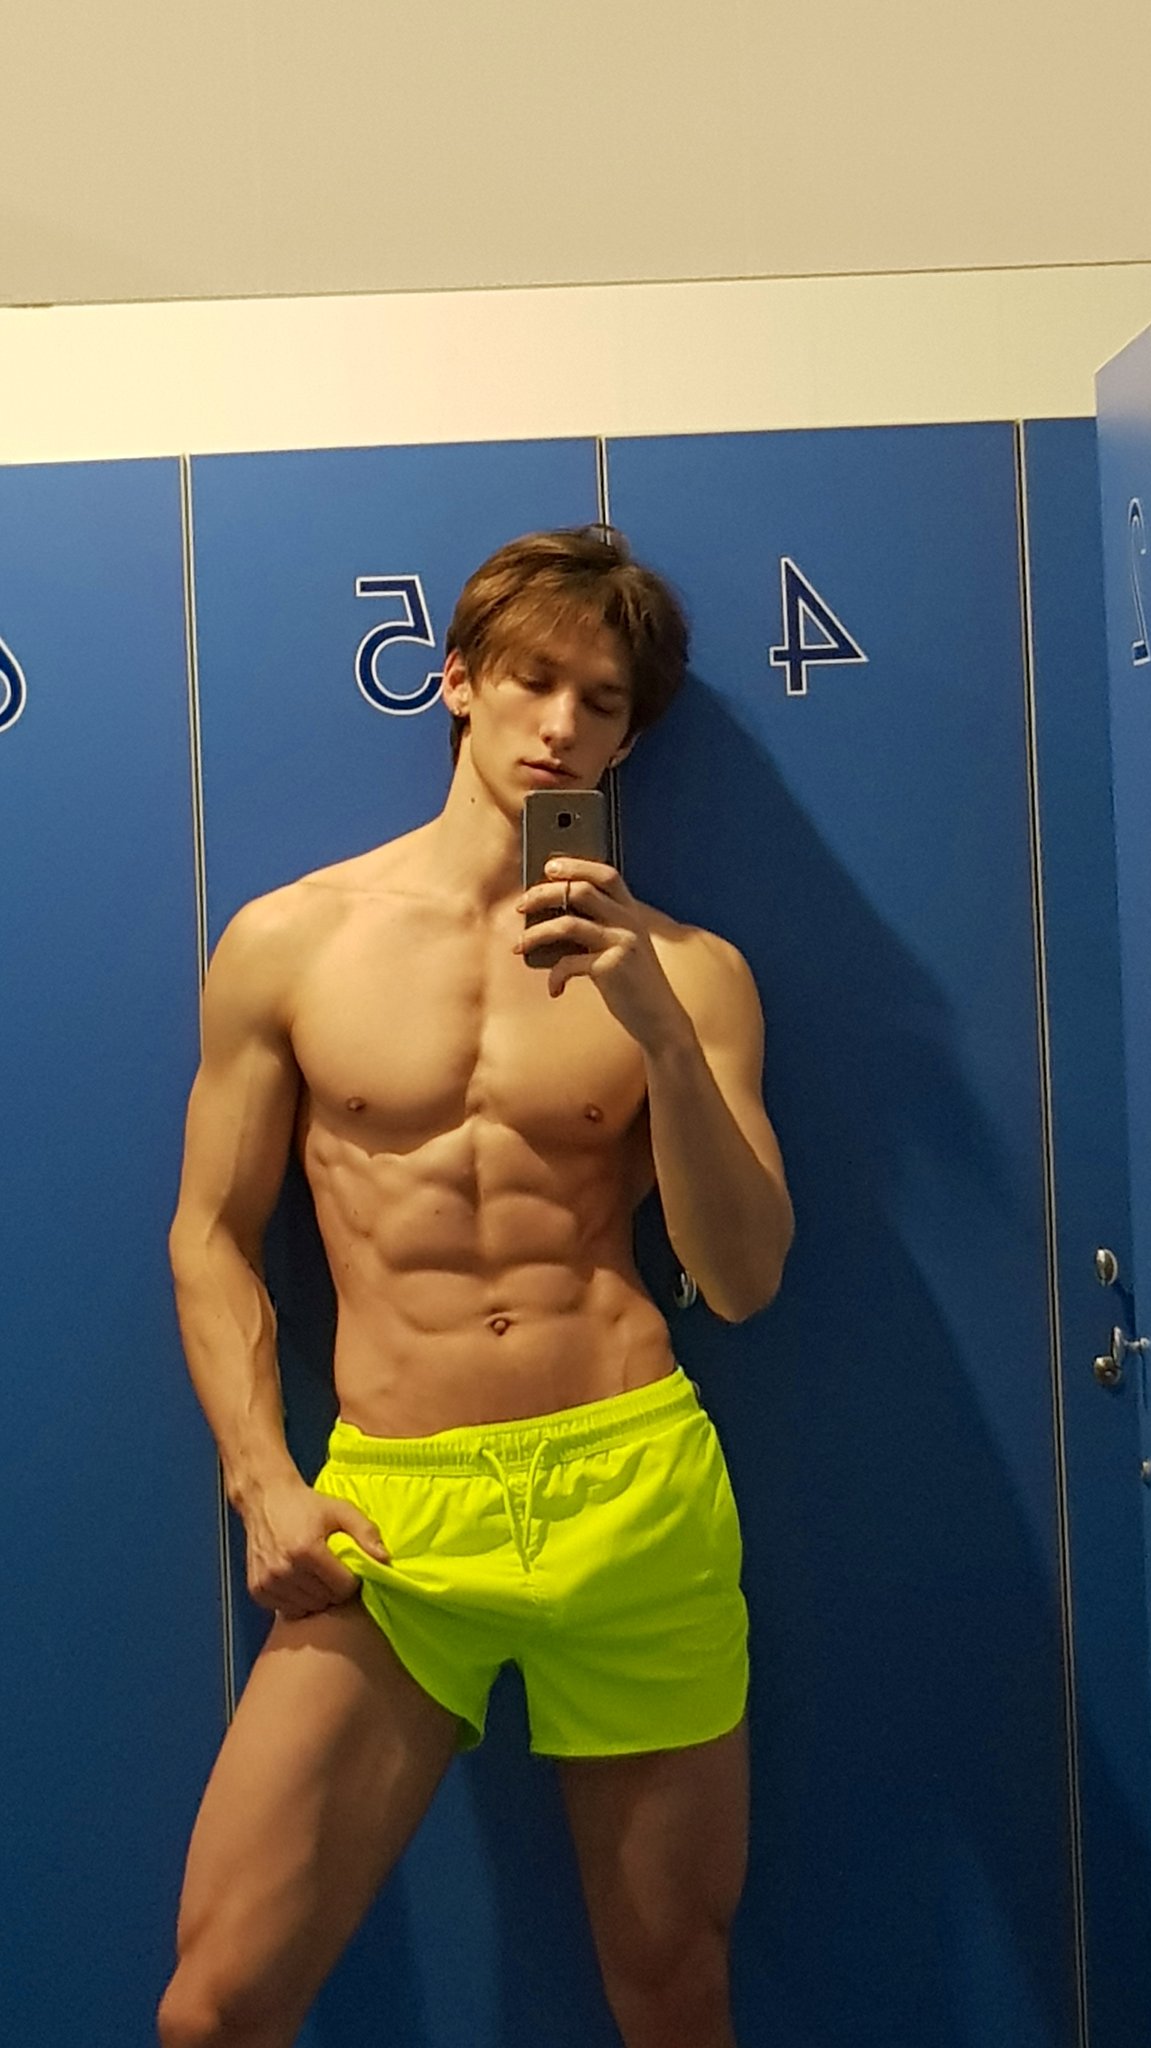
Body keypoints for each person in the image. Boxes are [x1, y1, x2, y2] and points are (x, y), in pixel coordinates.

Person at [158, 525, 794, 2048]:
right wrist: (262, 1481)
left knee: (675, 1992)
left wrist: (656, 1031)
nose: (562, 725)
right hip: (397, 1513)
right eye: (533, 680)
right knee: (217, 2006)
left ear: (630, 737)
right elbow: (211, 1235)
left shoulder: (693, 970)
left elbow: (742, 1278)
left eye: (603, 702)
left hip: (631, 1488)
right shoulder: (290, 943)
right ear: (457, 680)